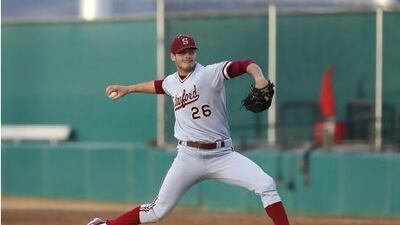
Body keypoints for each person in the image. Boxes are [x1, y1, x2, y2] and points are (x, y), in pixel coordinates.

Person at [87, 34, 290, 225]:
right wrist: (129, 88)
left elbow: (245, 64)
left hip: (222, 155)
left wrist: (259, 77)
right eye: (183, 52)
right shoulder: (172, 82)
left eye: (191, 51)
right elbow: (158, 85)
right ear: (172, 56)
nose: (188, 55)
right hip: (188, 157)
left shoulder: (210, 73)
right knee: (157, 211)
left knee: (266, 185)